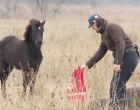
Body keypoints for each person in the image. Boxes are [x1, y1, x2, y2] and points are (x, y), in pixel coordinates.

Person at [81, 14, 139, 108]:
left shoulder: (112, 27)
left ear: (95, 23)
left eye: (92, 26)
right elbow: (100, 52)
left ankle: (122, 106)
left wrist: (118, 63)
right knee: (114, 85)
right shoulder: (104, 35)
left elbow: (121, 45)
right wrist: (87, 65)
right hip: (123, 58)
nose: (92, 29)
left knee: (118, 84)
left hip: (130, 56)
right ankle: (118, 105)